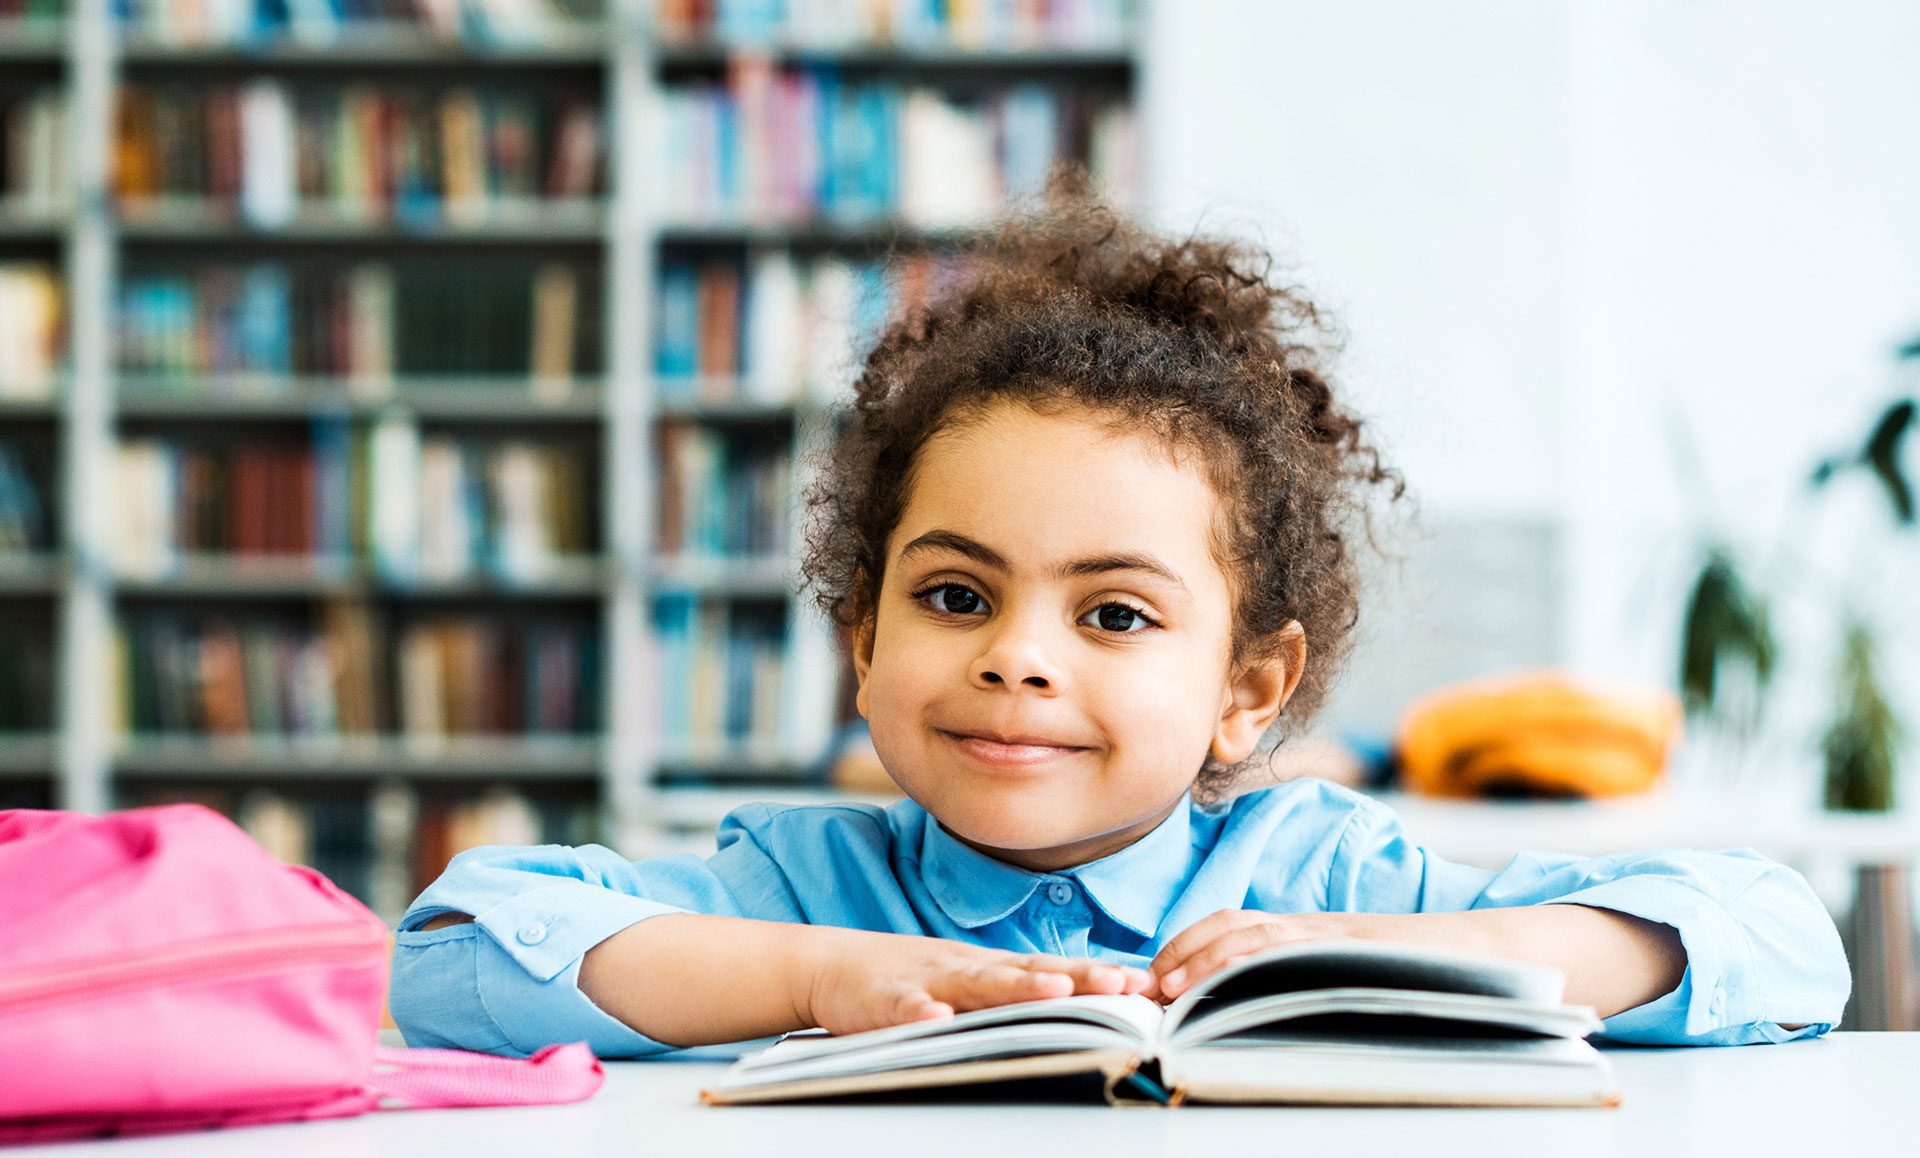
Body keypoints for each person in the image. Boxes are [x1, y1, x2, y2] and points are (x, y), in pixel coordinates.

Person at [388, 188, 1849, 1057]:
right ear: (860, 637)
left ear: (1247, 684)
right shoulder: (794, 883)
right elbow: (450, 942)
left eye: (1115, 612)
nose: (1018, 654)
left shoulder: (1332, 874)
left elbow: (1785, 942)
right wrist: (817, 974)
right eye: (954, 595)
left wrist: (1396, 956)